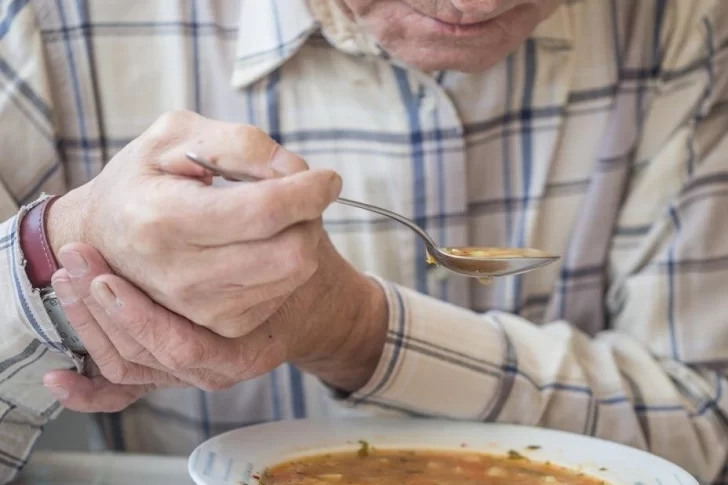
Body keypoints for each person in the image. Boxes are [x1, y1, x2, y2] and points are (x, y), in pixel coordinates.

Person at [1, 0, 727, 482]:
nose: (473, 4)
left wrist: (357, 328)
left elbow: (707, 422)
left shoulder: (678, 20)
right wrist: (55, 243)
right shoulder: (52, 18)